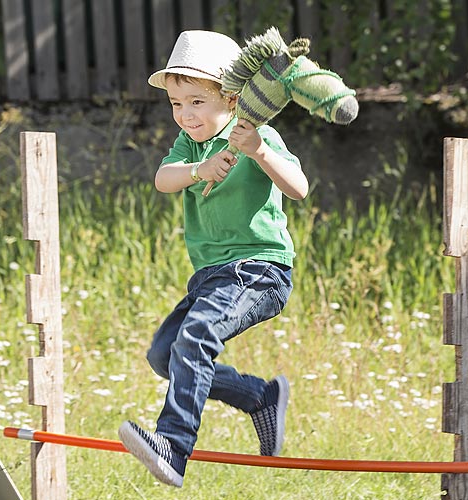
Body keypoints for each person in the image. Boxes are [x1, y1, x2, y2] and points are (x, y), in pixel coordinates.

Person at [118, 30, 309, 488]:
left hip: (260, 270)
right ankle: (259, 397)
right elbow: (164, 179)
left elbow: (299, 188)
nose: (185, 114)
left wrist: (259, 151)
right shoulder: (191, 144)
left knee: (197, 335)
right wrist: (197, 169)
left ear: (230, 97)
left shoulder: (254, 134)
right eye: (176, 104)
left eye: (196, 102)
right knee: (165, 354)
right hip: (211, 277)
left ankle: (174, 445)